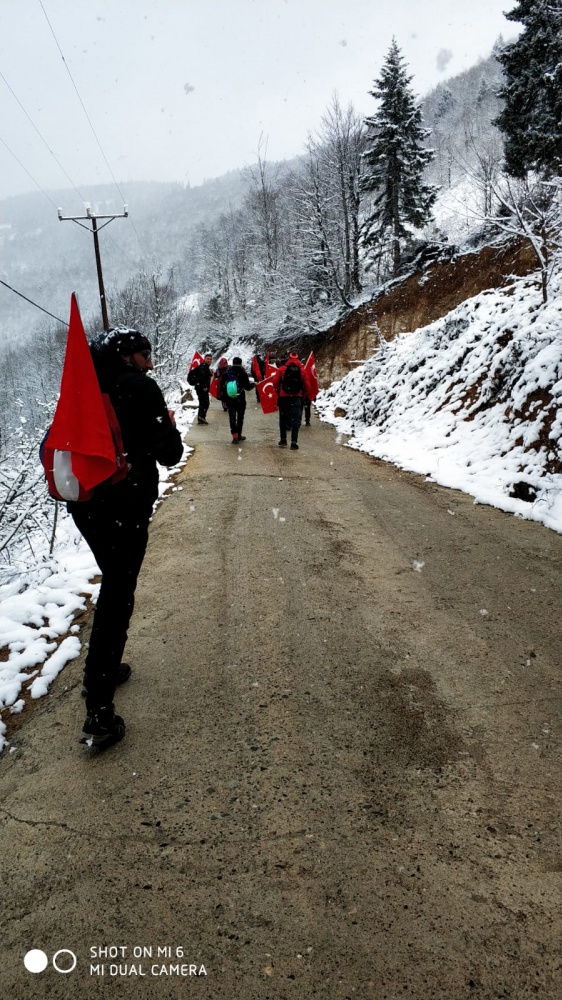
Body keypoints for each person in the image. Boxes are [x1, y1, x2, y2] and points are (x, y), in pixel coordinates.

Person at [68, 328, 183, 746]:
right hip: (124, 504)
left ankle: (101, 671)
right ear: (126, 356)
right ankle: (99, 710)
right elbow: (170, 454)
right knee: (119, 594)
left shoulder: (83, 386)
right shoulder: (139, 387)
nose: (150, 362)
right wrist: (168, 426)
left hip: (85, 502)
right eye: (144, 354)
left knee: (113, 583)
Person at [272, 351, 313, 450]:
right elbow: (307, 385)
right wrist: (303, 395)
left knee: (283, 418)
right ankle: (294, 442)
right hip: (296, 397)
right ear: (298, 359)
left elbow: (275, 382)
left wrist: (279, 392)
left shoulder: (282, 369)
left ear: (288, 358)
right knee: (295, 419)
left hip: (283, 397)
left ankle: (283, 440)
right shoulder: (302, 370)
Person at [220, 357, 255, 443]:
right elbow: (247, 387)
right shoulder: (242, 373)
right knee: (240, 417)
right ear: (241, 363)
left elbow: (222, 386)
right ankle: (239, 435)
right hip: (240, 398)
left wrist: (224, 398)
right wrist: (253, 385)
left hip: (230, 399)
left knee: (232, 418)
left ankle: (234, 436)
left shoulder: (227, 373)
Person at [189, 352, 213, 424]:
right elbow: (202, 378)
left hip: (200, 388)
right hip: (201, 389)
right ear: (204, 359)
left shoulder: (204, 367)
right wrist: (204, 387)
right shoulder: (203, 367)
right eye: (208, 359)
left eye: (210, 359)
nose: (209, 360)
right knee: (204, 403)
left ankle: (201, 418)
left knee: (204, 403)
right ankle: (201, 417)